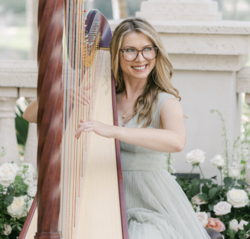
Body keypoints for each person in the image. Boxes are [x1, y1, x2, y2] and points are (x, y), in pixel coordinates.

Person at [24, 17, 210, 239]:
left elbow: (176, 141)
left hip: (149, 202)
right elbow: (30, 115)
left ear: (156, 53)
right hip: (101, 194)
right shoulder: (100, 96)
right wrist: (60, 94)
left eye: (147, 49)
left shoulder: (165, 101)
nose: (140, 58)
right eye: (130, 50)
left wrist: (113, 130)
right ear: (116, 54)